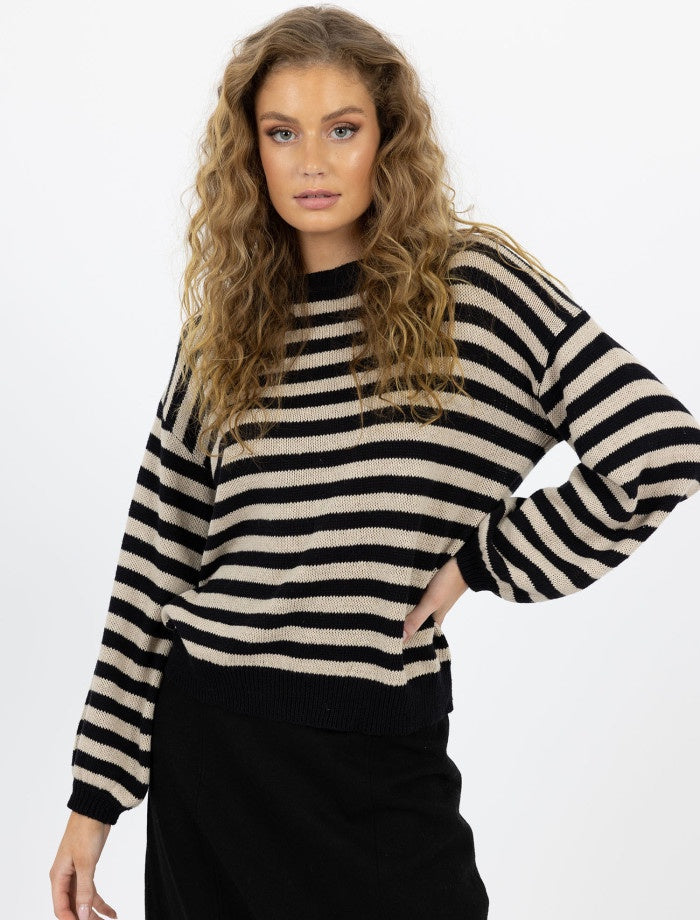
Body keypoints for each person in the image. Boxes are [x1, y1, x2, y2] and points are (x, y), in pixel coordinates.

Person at [49, 5, 700, 920]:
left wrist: (483, 562)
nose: (311, 161)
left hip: (379, 767)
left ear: (387, 140)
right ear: (250, 151)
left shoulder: (474, 288)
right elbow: (155, 562)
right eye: (282, 133)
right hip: (212, 761)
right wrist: (93, 803)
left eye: (342, 129)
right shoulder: (225, 327)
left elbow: (658, 450)